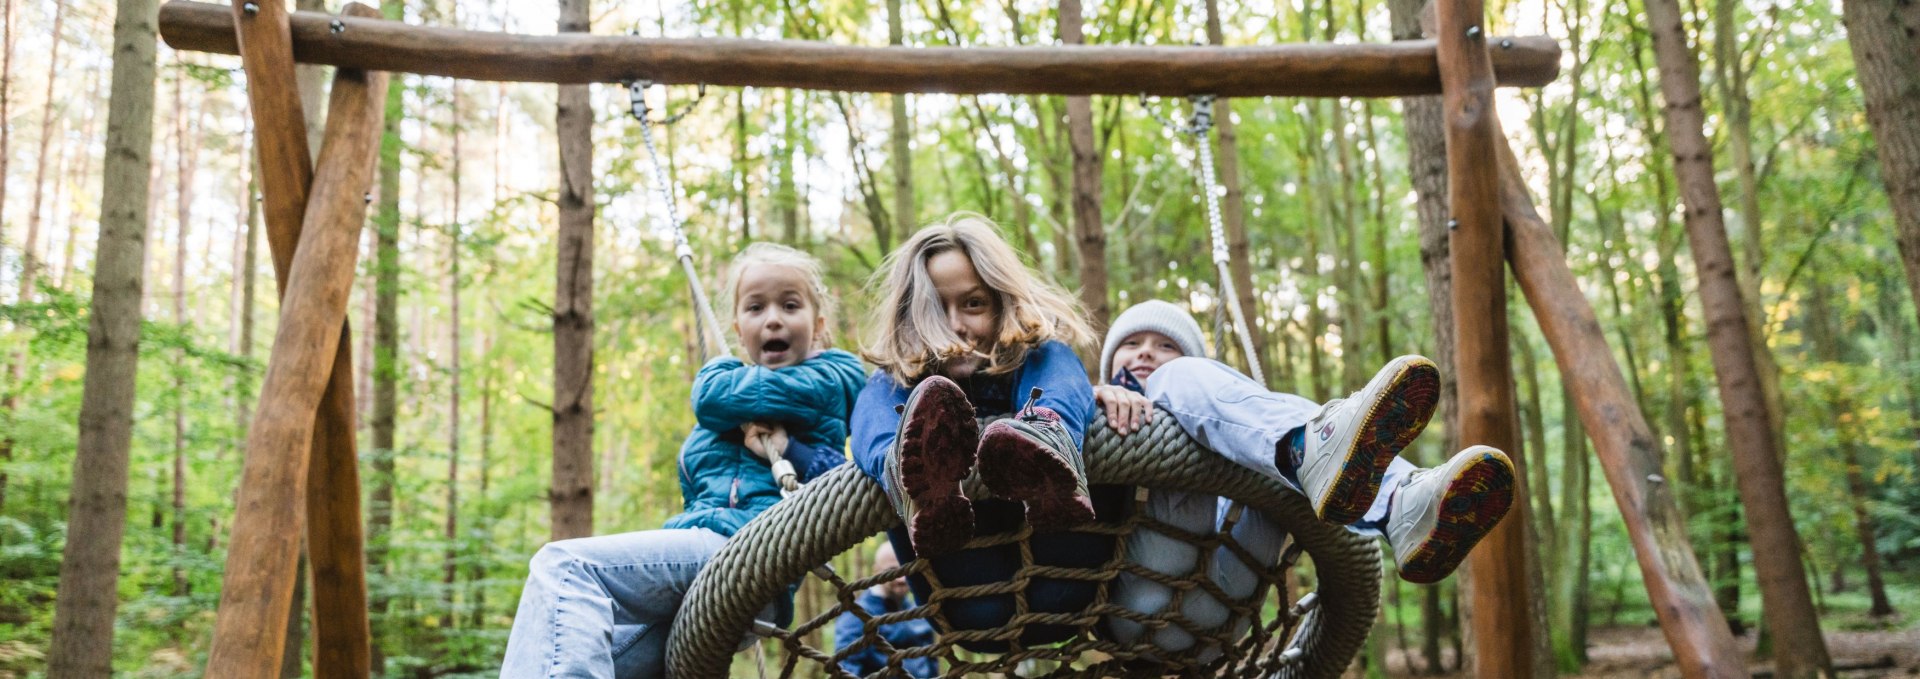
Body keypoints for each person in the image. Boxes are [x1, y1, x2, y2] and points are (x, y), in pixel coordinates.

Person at [500, 243, 866, 678]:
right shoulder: (729, 385)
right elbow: (710, 414)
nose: (773, 318)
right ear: (738, 326)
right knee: (568, 650)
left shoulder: (833, 374)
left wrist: (784, 445)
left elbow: (713, 398)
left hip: (748, 550)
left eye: (790, 305)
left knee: (564, 568)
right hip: (709, 565)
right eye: (756, 307)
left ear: (819, 324)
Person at [1094, 301, 1516, 652]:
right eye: (1131, 343)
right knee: (1185, 385)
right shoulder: (1090, 407)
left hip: (1227, 611)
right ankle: (1336, 467)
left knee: (1264, 435)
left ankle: (1398, 505)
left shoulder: (1210, 412)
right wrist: (1092, 397)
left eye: (1166, 345)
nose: (1146, 352)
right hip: (1140, 598)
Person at [849, 212, 1114, 649]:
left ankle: (1049, 438)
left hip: (1067, 576)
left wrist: (1111, 395)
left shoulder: (1037, 365)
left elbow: (1065, 377)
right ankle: (907, 474)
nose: (955, 325)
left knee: (1050, 352)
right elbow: (872, 410)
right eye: (935, 309)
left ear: (1002, 304)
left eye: (973, 304)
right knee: (882, 386)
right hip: (967, 598)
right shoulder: (893, 390)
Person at [832, 543, 940, 678]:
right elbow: (847, 668)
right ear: (876, 572)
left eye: (905, 570)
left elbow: (931, 661)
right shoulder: (856, 616)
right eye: (893, 571)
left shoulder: (920, 611)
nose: (902, 579)